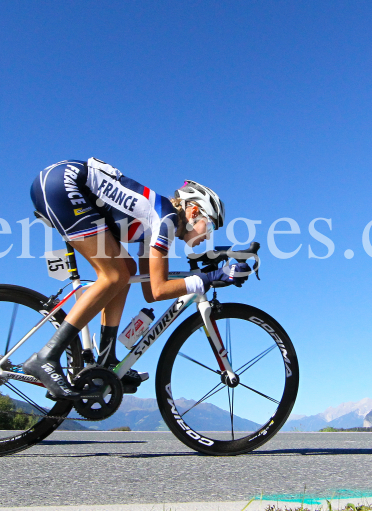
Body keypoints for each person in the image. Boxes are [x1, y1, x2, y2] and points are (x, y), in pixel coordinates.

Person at [24, 158, 250, 399]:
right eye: (211, 226)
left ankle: (107, 357)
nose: (208, 236)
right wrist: (211, 277)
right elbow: (160, 289)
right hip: (65, 184)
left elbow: (149, 290)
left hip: (63, 182)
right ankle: (46, 356)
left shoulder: (155, 224)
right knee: (113, 275)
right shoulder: (167, 220)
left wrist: (210, 270)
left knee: (126, 271)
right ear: (194, 212)